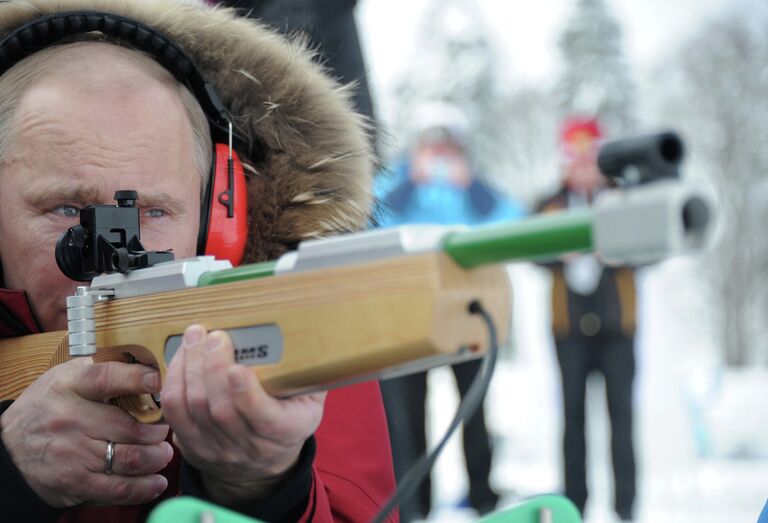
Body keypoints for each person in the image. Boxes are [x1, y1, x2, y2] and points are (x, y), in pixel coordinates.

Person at [0, 1, 396, 521]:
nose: (111, 257)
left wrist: (264, 485)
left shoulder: (296, 324)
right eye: (67, 209)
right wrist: (9, 474)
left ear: (219, 221)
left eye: (152, 212)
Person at [376, 102, 524, 521]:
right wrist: (409, 185)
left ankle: (483, 498)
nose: (439, 151)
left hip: (468, 311)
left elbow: (512, 220)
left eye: (447, 142)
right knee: (410, 412)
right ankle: (416, 505)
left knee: (475, 407)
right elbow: (368, 216)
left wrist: (472, 188)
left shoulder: (471, 188)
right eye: (432, 141)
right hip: (411, 311)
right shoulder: (399, 181)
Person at [536, 117, 637, 521]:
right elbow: (530, 251)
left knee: (622, 419)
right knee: (573, 422)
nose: (582, 168)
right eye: (574, 160)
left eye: (589, 159)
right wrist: (560, 253)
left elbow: (650, 249)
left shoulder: (624, 201)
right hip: (570, 330)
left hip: (617, 328)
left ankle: (626, 508)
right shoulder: (550, 205)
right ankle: (575, 507)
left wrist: (620, 253)